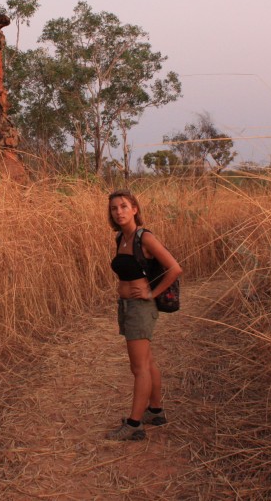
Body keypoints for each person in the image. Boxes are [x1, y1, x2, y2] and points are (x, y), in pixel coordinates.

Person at [105, 189, 183, 441]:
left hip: (140, 308)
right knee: (147, 362)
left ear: (135, 209)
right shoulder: (121, 238)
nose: (119, 212)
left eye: (124, 206)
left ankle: (134, 424)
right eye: (115, 208)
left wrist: (152, 293)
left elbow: (175, 268)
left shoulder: (144, 237)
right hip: (128, 306)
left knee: (138, 367)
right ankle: (155, 411)